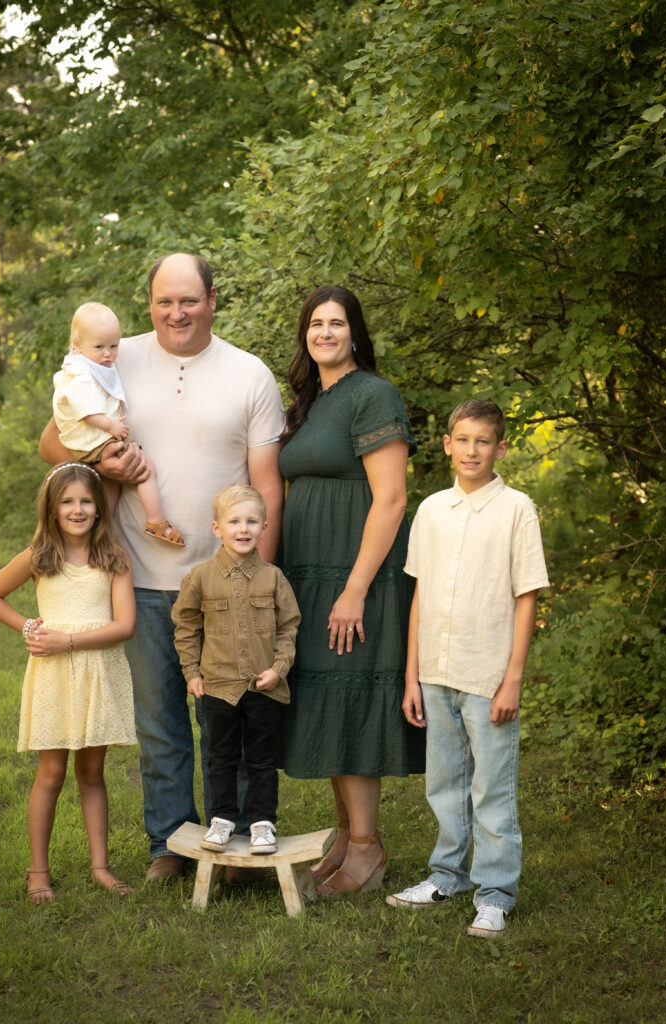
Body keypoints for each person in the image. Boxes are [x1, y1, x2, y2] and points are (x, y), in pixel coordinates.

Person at [39, 254, 285, 881]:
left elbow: (267, 486)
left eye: (189, 301)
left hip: (223, 585)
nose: (176, 313)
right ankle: (171, 845)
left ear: (212, 299)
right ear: (149, 302)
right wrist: (110, 468)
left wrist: (262, 580)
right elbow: (51, 444)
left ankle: (229, 847)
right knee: (161, 725)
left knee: (224, 720)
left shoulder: (249, 375)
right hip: (138, 580)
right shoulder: (113, 360)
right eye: (163, 302)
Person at [278, 285, 426, 897]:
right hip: (311, 576)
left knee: (352, 697)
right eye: (316, 323)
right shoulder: (313, 400)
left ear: (356, 333)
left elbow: (391, 499)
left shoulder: (373, 394)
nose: (325, 333)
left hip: (355, 575)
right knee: (325, 699)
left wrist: (356, 588)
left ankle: (367, 847)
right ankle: (345, 837)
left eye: (337, 323)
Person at [387, 399, 550, 938]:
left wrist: (513, 678)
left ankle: (496, 893)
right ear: (448, 444)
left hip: (487, 674)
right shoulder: (432, 510)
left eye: (484, 441)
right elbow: (419, 596)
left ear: (500, 448)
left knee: (492, 789)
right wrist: (412, 676)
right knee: (445, 783)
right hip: (436, 669)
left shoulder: (516, 509)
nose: (472, 450)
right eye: (463, 439)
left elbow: (526, 596)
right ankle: (447, 875)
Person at [0, 462, 137, 904]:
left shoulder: (114, 558)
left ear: (99, 507)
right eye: (67, 501)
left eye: (86, 500)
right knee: (50, 773)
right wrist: (29, 628)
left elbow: (124, 626)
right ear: (51, 508)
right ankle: (38, 872)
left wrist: (68, 639)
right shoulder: (39, 557)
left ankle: (101, 866)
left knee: (92, 773)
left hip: (98, 674)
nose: (78, 509)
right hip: (53, 678)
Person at [172, 484, 301, 855]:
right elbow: (186, 627)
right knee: (220, 756)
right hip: (217, 687)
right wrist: (192, 673)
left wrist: (279, 669)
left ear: (264, 528)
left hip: (265, 686)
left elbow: (289, 626)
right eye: (234, 522)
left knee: (261, 759)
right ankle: (222, 820)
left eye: (251, 521)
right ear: (217, 528)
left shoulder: (274, 578)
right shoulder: (200, 578)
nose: (243, 529)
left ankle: (262, 824)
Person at [53, 301, 183, 545]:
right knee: (145, 470)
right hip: (94, 438)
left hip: (91, 439)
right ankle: (156, 520)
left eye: (114, 346)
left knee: (112, 483)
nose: (108, 354)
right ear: (78, 345)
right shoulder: (81, 376)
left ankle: (103, 531)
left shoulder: (86, 365)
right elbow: (87, 412)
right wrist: (111, 426)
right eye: (99, 347)